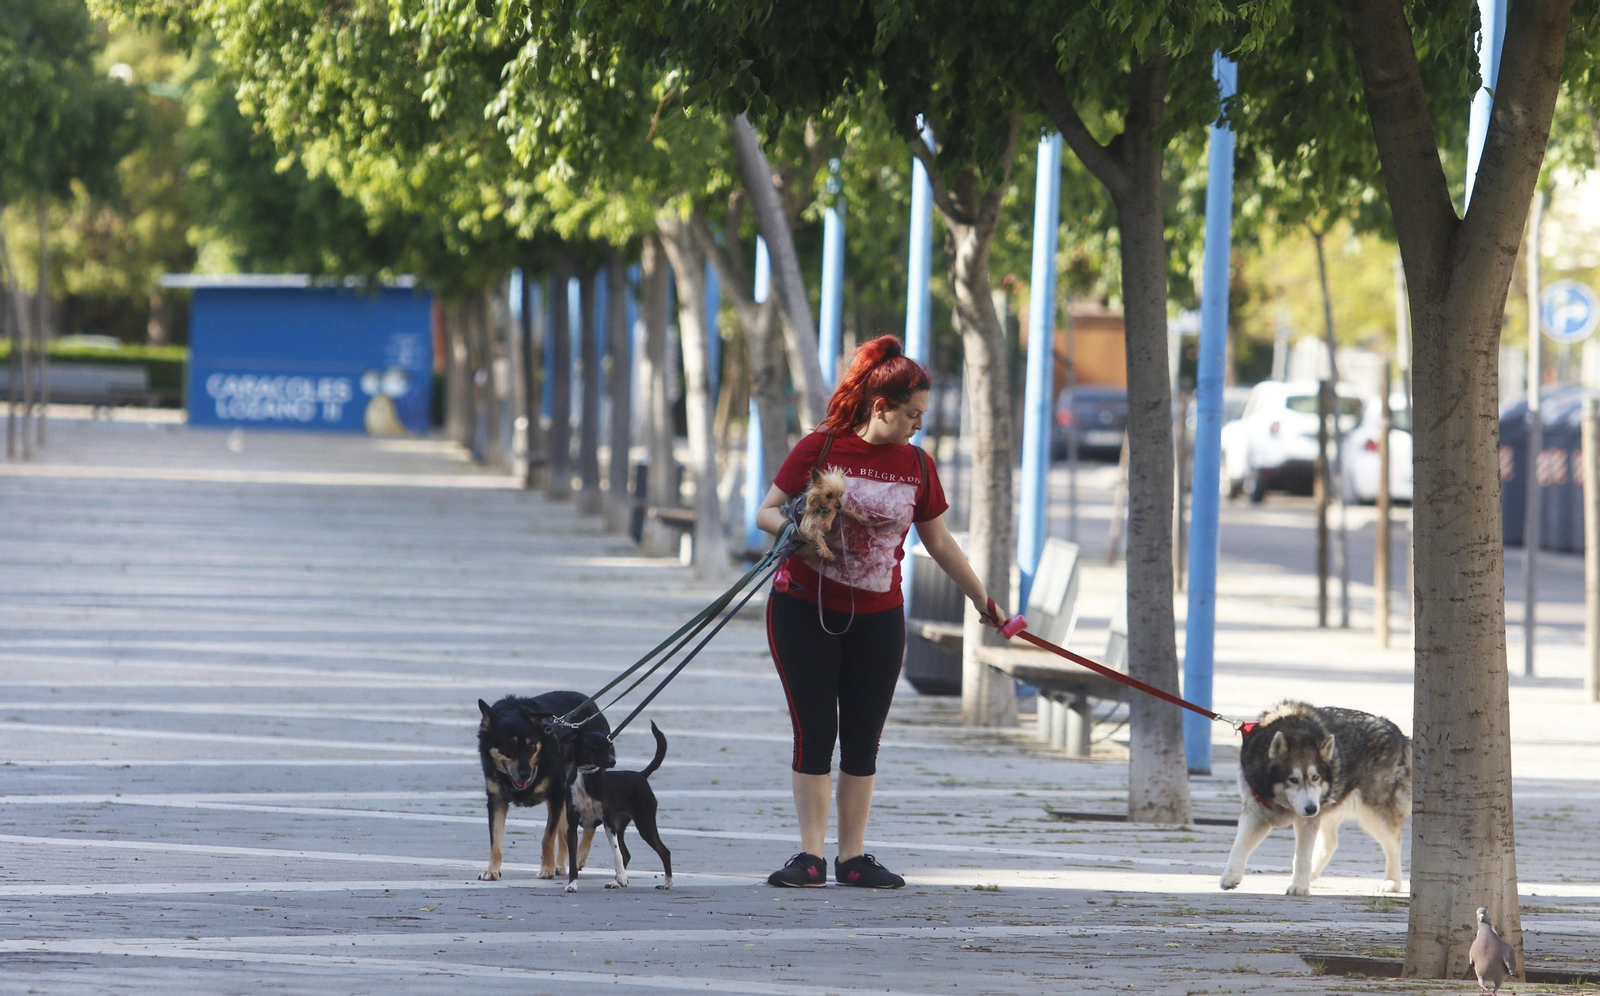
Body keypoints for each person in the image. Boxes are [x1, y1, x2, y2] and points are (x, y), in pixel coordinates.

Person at [754, 334, 1002, 889]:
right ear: (881, 406)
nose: (919, 425)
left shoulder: (917, 464)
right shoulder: (820, 450)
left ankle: (853, 858)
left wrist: (983, 602)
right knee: (815, 730)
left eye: (923, 416)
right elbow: (766, 513)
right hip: (804, 610)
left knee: (864, 736)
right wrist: (798, 530)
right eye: (912, 414)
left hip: (879, 618)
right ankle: (810, 857)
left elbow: (939, 542)